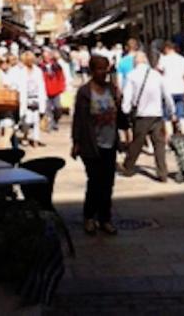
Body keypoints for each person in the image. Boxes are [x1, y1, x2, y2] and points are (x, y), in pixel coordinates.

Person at [71, 55, 119, 235]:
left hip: (110, 142)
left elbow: (119, 112)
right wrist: (76, 142)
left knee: (108, 183)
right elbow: (78, 119)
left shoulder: (112, 89)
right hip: (91, 144)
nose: (104, 72)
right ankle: (89, 217)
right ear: (92, 70)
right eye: (100, 69)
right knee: (95, 182)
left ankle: (105, 218)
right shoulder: (85, 92)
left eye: (106, 68)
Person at [120, 52, 175, 181]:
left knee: (137, 142)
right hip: (157, 115)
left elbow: (127, 96)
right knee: (159, 145)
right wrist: (171, 111)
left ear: (135, 62)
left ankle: (128, 167)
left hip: (141, 116)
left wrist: (125, 110)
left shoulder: (131, 76)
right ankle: (162, 173)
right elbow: (167, 95)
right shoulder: (157, 75)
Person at [157, 40, 184, 136]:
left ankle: (170, 139)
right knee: (181, 115)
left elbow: (158, 72)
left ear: (166, 49)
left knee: (167, 117)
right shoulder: (183, 59)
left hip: (167, 91)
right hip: (180, 89)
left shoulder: (163, 59)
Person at [18, 51, 47, 147]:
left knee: (36, 119)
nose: (31, 61)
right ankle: (25, 136)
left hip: (37, 97)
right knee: (26, 120)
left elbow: (41, 85)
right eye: (29, 60)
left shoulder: (38, 71)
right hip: (26, 98)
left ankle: (36, 139)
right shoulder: (21, 71)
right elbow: (20, 86)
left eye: (32, 60)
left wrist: (43, 98)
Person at [40, 48, 66, 131]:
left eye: (47, 56)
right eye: (44, 56)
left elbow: (61, 77)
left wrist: (62, 87)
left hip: (56, 89)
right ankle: (51, 124)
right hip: (45, 90)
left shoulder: (56, 66)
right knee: (47, 109)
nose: (46, 58)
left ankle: (56, 121)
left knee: (58, 107)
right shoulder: (40, 66)